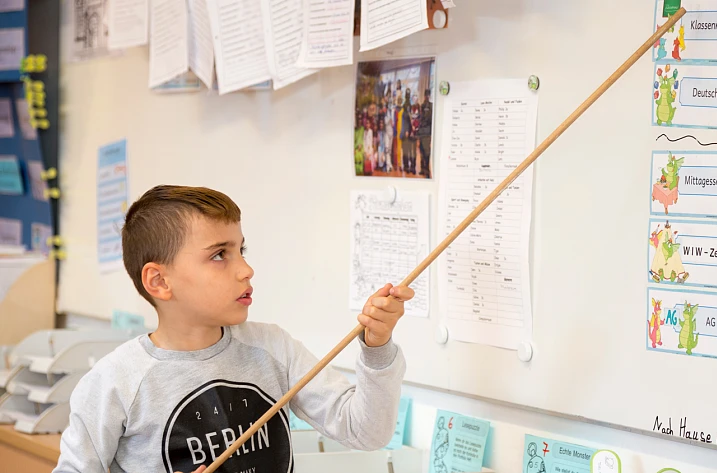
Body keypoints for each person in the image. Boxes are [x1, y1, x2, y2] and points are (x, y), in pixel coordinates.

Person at [52, 185, 414, 473]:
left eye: (242, 250)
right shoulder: (114, 383)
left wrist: (377, 346)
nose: (245, 269)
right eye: (219, 255)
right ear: (159, 281)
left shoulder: (273, 347)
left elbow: (366, 431)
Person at [417, 88, 433, 177]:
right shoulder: (422, 106)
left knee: (427, 152)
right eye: (425, 95)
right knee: (422, 151)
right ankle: (422, 169)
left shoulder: (431, 106)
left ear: (429, 96)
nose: (426, 97)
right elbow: (420, 118)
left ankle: (427, 170)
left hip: (427, 132)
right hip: (421, 132)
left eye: (428, 95)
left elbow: (430, 120)